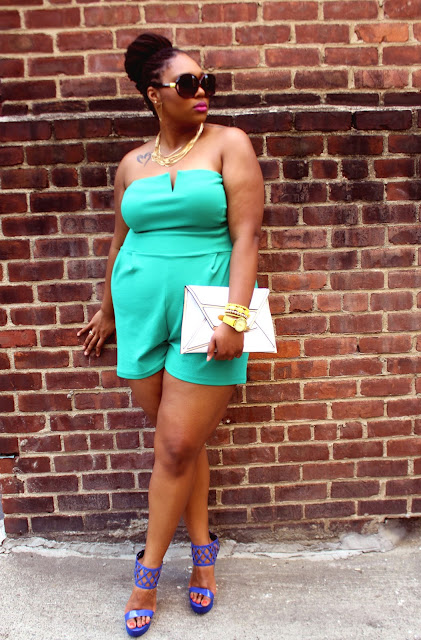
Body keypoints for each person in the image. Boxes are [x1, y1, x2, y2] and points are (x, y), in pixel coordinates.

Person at [78, 32, 264, 637]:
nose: (202, 90)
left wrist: (236, 318)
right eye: (188, 83)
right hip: (138, 314)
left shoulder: (229, 144)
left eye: (207, 81)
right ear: (154, 94)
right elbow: (119, 241)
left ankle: (148, 573)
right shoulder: (132, 164)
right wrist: (107, 311)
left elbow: (246, 238)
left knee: (177, 445)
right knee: (180, 446)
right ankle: (204, 550)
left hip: (205, 310)